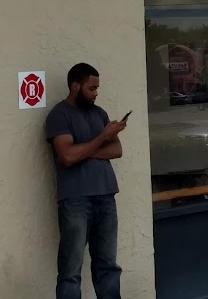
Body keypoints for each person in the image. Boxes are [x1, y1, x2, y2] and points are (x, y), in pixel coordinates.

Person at [47, 62, 127, 299]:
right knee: (71, 270)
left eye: (97, 88)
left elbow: (116, 151)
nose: (96, 93)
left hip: (106, 195)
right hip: (76, 200)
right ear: (75, 86)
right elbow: (67, 156)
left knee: (108, 266)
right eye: (91, 88)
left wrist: (83, 150)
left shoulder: (99, 113)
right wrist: (102, 137)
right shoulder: (59, 115)